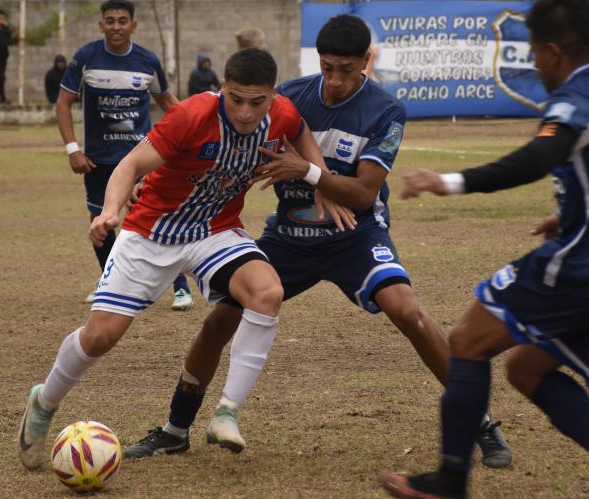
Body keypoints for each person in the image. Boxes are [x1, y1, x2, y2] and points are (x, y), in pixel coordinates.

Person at [121, 14, 512, 469]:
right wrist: (147, 183)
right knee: (218, 322)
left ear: (366, 61)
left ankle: (481, 423)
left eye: (347, 69)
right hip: (288, 237)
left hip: (354, 234)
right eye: (328, 67)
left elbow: (364, 193)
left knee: (408, 311)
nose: (336, 80)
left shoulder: (385, 111)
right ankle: (174, 430)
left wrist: (307, 171)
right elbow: (227, 149)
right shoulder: (288, 96)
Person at [378, 1, 589, 498]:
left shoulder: (576, 96)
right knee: (526, 368)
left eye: (534, 53)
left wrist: (450, 181)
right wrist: (575, 213)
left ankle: (450, 482)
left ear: (553, 51)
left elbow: (539, 158)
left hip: (587, 265)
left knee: (467, 340)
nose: (533, 64)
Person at [16, 47, 331, 471]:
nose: (244, 111)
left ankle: (226, 413)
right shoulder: (192, 116)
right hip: (152, 232)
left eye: (257, 102)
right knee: (99, 339)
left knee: (267, 291)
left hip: (215, 230)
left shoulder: (283, 114)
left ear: (273, 96)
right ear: (223, 88)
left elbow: (302, 130)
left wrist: (320, 176)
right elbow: (128, 166)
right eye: (236, 99)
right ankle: (45, 400)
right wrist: (110, 212)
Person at [54, 0, 195, 311]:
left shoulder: (147, 61)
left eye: (122, 21)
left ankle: (181, 288)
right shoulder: (85, 59)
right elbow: (63, 103)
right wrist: (73, 149)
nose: (116, 26)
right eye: (110, 21)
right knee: (101, 220)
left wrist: (198, 124)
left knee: (158, 218)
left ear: (133, 26)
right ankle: (110, 281)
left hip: (144, 157)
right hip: (99, 160)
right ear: (101, 25)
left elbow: (167, 100)